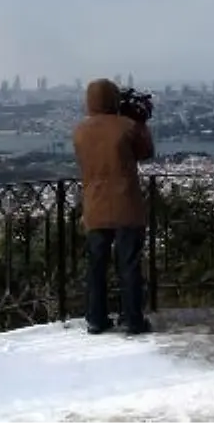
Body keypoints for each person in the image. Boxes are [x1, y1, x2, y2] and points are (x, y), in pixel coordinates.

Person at [73, 78, 155, 335]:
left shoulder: (80, 131)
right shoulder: (127, 126)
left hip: (95, 206)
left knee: (96, 265)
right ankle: (133, 319)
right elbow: (145, 152)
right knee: (128, 264)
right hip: (126, 205)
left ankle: (96, 319)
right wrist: (139, 122)